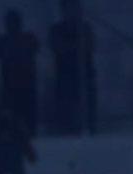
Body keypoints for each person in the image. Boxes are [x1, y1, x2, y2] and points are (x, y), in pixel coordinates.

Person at [49, 0, 97, 134]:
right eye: (69, 8)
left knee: (88, 113)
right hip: (65, 79)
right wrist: (75, 47)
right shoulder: (56, 30)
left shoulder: (85, 28)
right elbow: (58, 47)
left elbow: (90, 46)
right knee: (67, 117)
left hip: (85, 78)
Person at [0, 9, 40, 135]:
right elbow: (0, 54)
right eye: (10, 22)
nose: (13, 26)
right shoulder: (2, 41)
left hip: (27, 84)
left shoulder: (29, 38)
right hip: (10, 85)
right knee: (12, 120)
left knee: (29, 118)